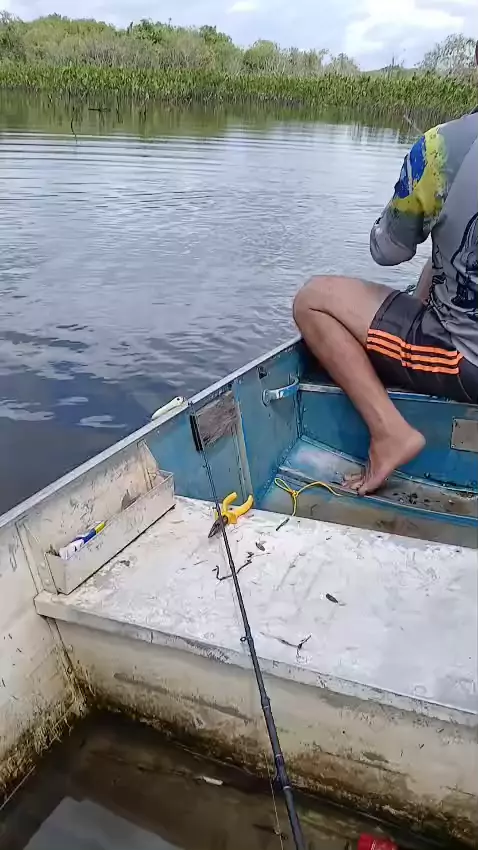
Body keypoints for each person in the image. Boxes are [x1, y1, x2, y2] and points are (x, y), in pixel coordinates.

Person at [294, 48, 478, 496]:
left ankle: (390, 432)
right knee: (435, 268)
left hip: (467, 360)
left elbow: (388, 251)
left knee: (313, 300)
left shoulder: (443, 147)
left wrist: (402, 205)